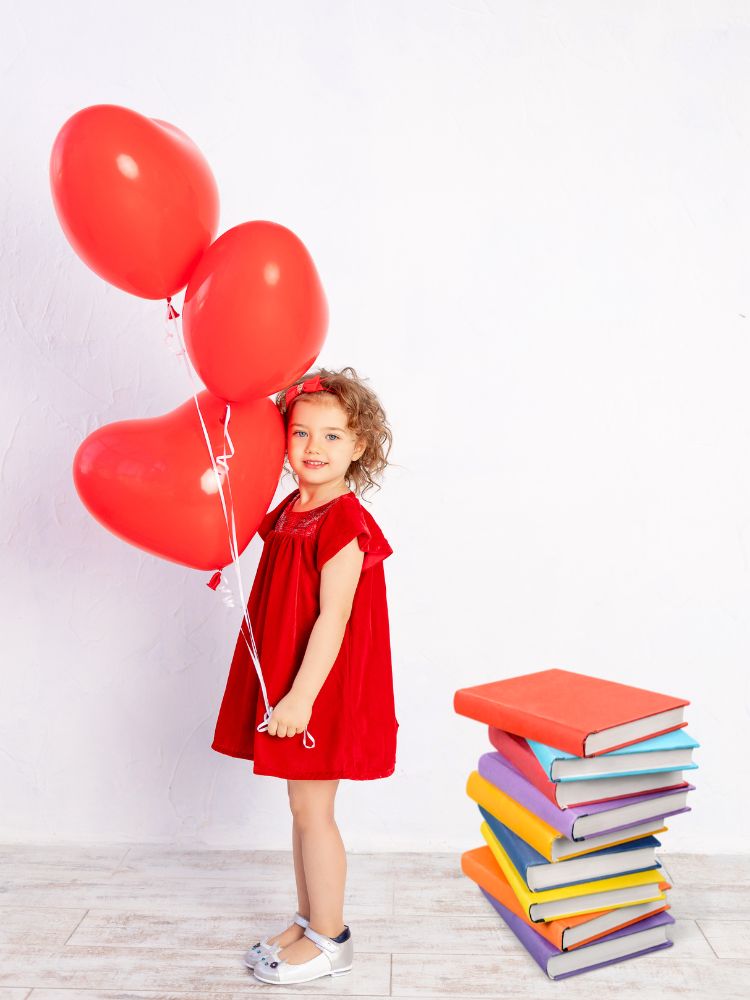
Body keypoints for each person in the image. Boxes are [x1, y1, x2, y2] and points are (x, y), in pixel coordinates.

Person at [211, 366, 399, 985]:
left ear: (361, 445)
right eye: (301, 434)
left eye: (334, 436)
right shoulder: (292, 508)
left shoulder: (343, 521)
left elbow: (336, 619)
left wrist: (299, 698)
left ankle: (333, 936)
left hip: (319, 686)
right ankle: (309, 918)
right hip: (291, 678)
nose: (314, 448)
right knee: (300, 807)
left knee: (314, 810)